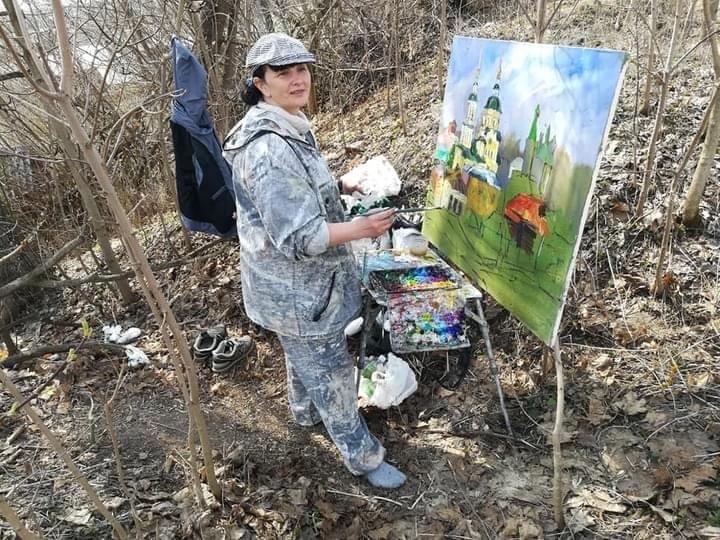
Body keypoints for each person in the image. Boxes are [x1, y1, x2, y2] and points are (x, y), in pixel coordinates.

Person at [223, 33, 406, 489]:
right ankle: (363, 458)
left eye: (302, 69)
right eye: (283, 73)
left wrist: (339, 187)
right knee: (332, 373)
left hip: (292, 289)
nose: (297, 79)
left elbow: (295, 194)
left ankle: (305, 413)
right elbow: (301, 236)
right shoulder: (267, 148)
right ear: (260, 83)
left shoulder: (286, 123)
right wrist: (364, 228)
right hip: (298, 293)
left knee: (302, 355)